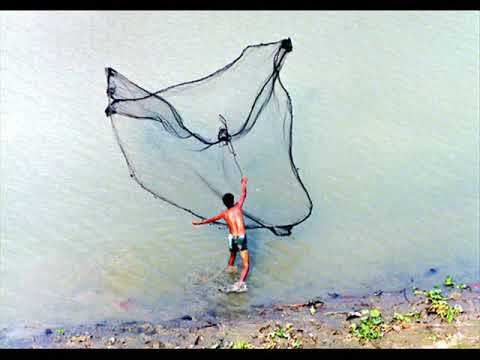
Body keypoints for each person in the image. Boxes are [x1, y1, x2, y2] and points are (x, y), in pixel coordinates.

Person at [192, 176, 249, 292]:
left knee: (232, 257)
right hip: (241, 238)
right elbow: (244, 194)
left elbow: (210, 220)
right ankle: (239, 284)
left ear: (224, 203)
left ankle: (228, 272)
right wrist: (243, 183)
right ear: (233, 201)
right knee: (246, 265)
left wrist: (198, 223)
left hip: (232, 238)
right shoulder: (238, 207)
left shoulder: (224, 214)